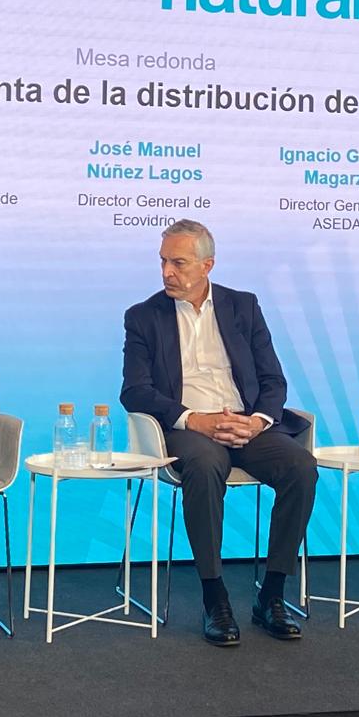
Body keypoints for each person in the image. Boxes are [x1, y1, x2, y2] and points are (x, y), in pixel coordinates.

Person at [121, 219, 317, 646]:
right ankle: (215, 597)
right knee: (206, 465)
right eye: (163, 262)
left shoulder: (243, 306)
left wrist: (257, 421)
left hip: (245, 424)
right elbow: (134, 391)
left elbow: (273, 380)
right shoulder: (143, 317)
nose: (167, 272)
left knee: (301, 467)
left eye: (178, 263)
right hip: (188, 428)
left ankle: (272, 595)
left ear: (207, 265)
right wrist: (194, 419)